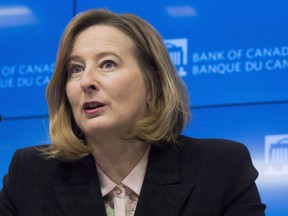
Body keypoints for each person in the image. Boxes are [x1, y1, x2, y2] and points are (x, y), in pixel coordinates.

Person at [0, 9, 266, 216]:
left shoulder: (221, 168)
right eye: (76, 69)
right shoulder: (30, 174)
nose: (86, 81)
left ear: (153, 85)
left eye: (107, 64)